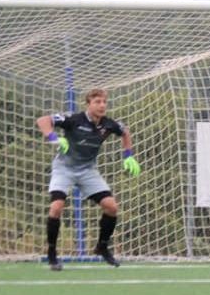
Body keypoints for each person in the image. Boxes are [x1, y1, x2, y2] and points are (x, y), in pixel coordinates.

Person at [36, 88, 141, 271]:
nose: (102, 105)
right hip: (64, 169)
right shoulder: (74, 119)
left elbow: (125, 132)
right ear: (89, 104)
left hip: (87, 170)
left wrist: (128, 156)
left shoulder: (108, 124)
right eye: (97, 102)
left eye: (104, 102)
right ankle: (52, 254)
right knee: (56, 207)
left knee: (111, 207)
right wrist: (53, 138)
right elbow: (43, 121)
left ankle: (102, 246)